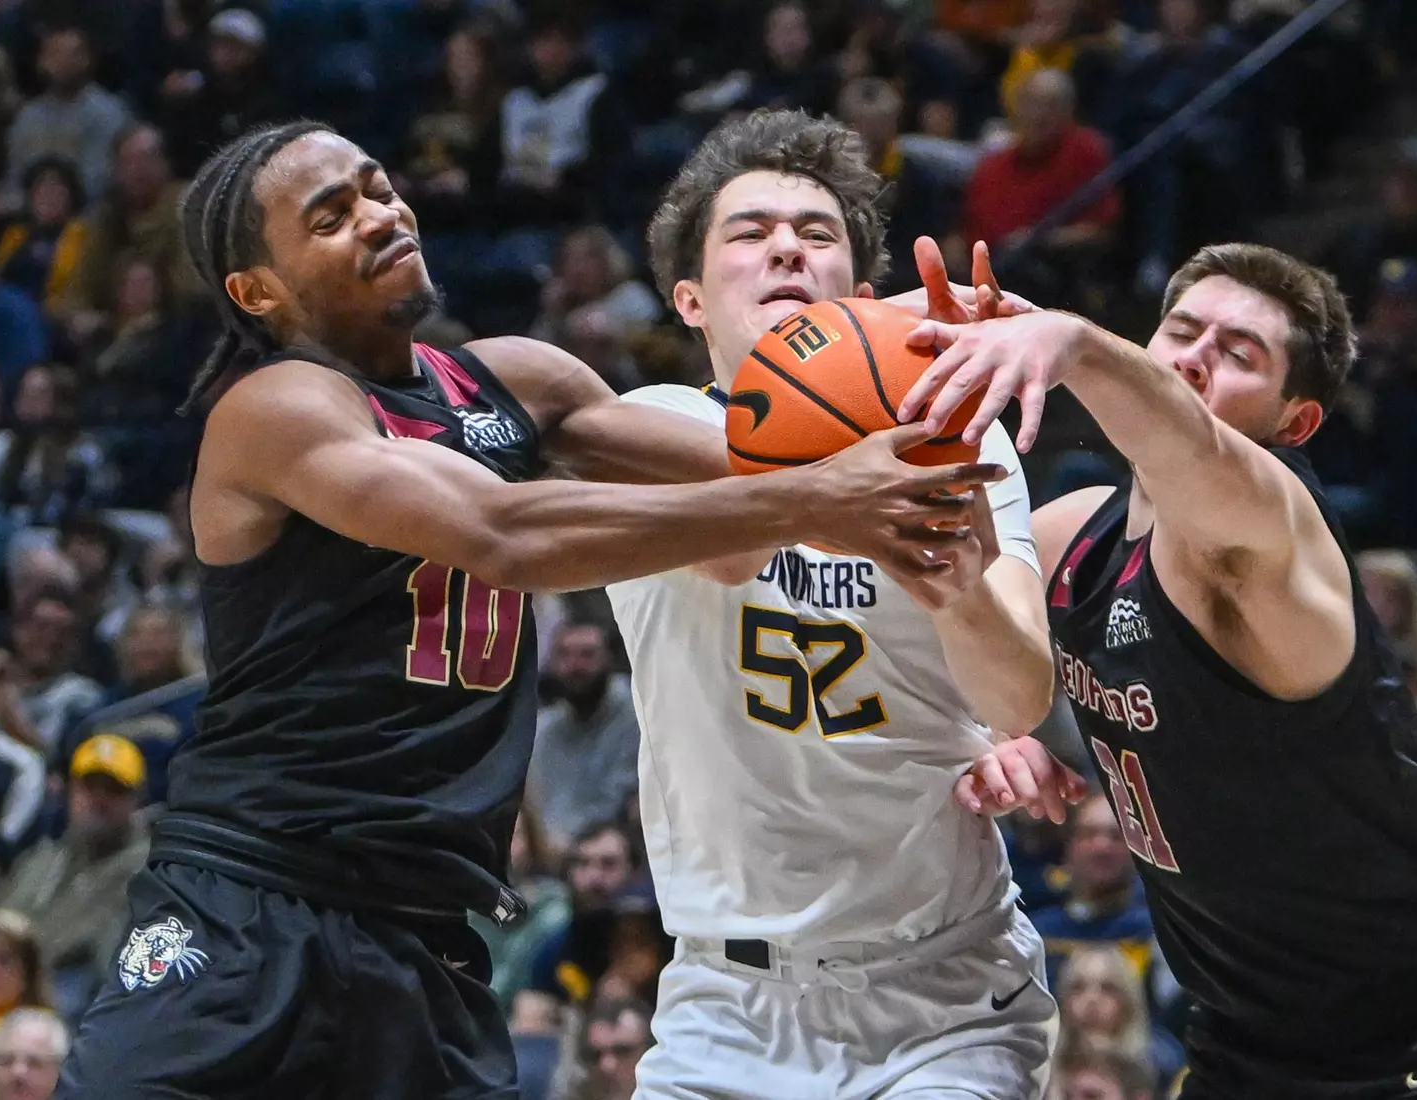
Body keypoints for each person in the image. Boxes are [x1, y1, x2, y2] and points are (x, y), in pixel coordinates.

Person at [53, 119, 1007, 1100]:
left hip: (429, 931)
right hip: (253, 901)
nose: (378, 214)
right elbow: (502, 532)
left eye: (377, 187)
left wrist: (920, 385)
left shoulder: (519, 383)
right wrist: (820, 495)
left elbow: (750, 516)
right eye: (330, 217)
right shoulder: (277, 407)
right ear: (258, 291)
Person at [910, 242, 1417, 1096]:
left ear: (1294, 421)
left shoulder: (1273, 530)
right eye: (1181, 331)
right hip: (1248, 1036)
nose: (1194, 357)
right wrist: (992, 731)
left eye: (1239, 354)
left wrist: (1072, 342)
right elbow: (948, 637)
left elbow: (1198, 455)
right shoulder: (1074, 533)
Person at [604, 107, 1077, 1100]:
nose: (784, 245)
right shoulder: (652, 429)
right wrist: (851, 451)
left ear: (857, 297)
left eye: (815, 235)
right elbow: (733, 547)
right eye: (750, 232)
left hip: (940, 989)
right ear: (688, 298)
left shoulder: (961, 439)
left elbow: (1018, 687)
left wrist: (955, 573)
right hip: (722, 1005)